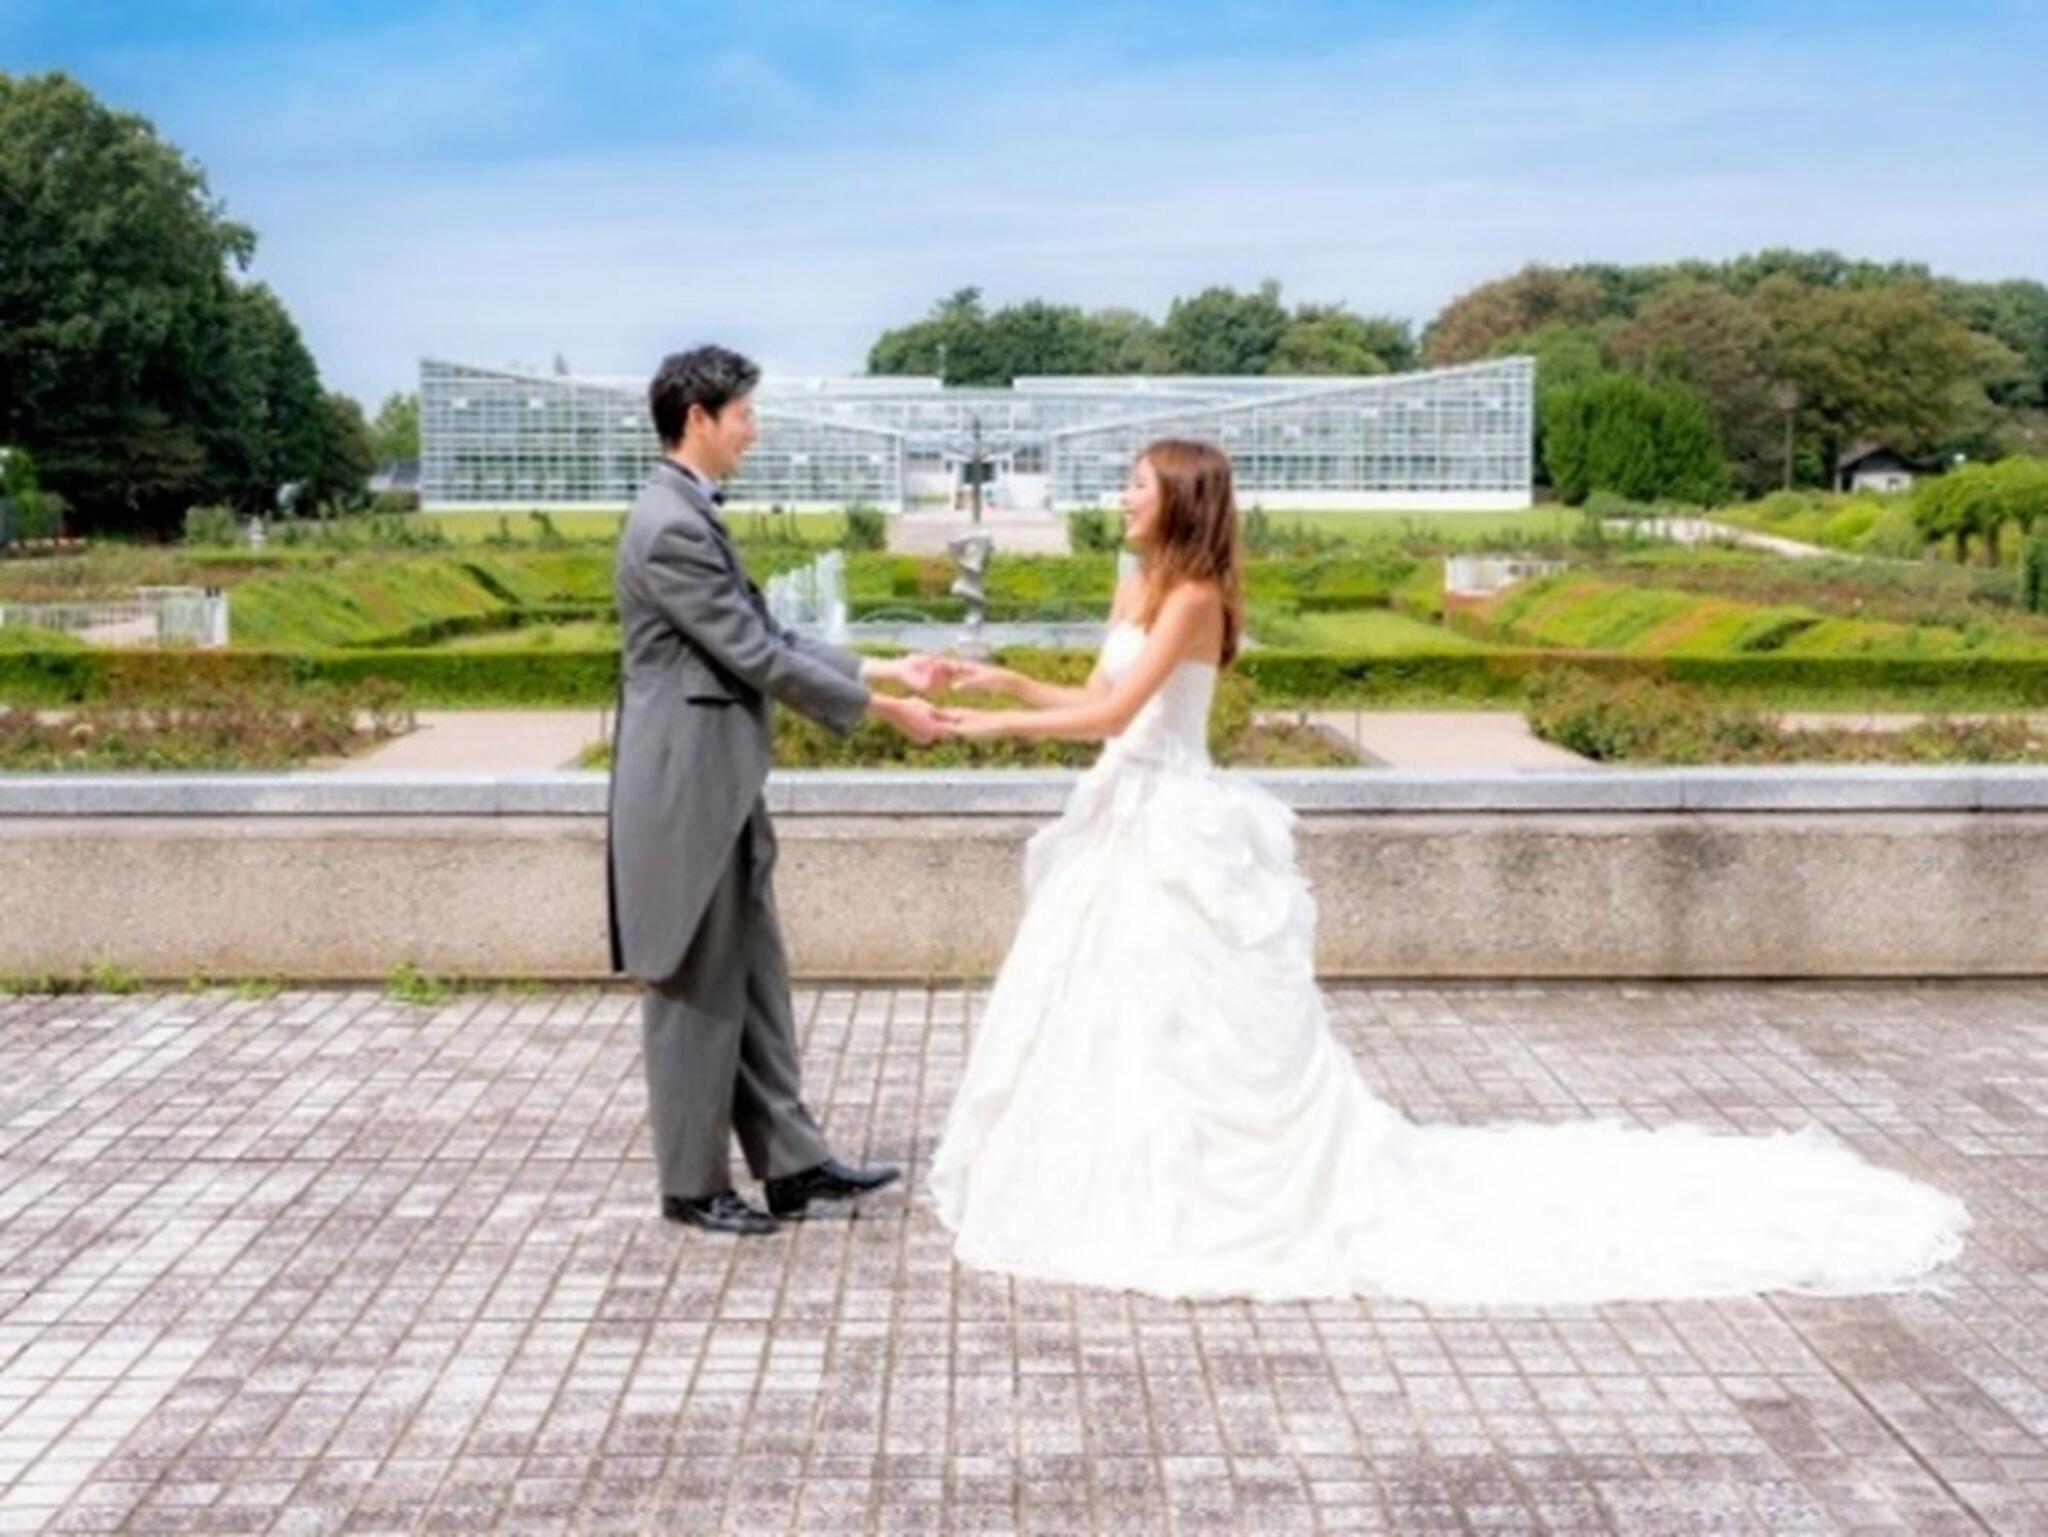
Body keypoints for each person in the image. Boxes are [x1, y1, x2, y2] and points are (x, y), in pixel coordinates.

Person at [922, 438, 1970, 1304]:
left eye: (1135, 486)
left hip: (1171, 822)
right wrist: (993, 674)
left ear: (1180, 501)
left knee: (1181, 1020)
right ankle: (1122, 1178)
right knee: (1119, 1016)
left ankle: (1187, 1193)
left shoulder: (1193, 593)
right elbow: (1099, 696)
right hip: (1127, 815)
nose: (1120, 498)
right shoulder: (1142, 582)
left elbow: (1109, 718)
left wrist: (970, 724)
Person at [607, 344, 948, 1236]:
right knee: (695, 985)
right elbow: (753, 654)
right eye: (745, 415)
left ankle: (792, 1165)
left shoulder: (685, 512)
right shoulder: (670, 525)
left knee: (752, 977)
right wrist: (881, 707)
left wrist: (880, 661)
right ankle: (691, 1186)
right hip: (688, 792)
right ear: (699, 420)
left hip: (718, 782)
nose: (754, 432)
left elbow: (767, 627)